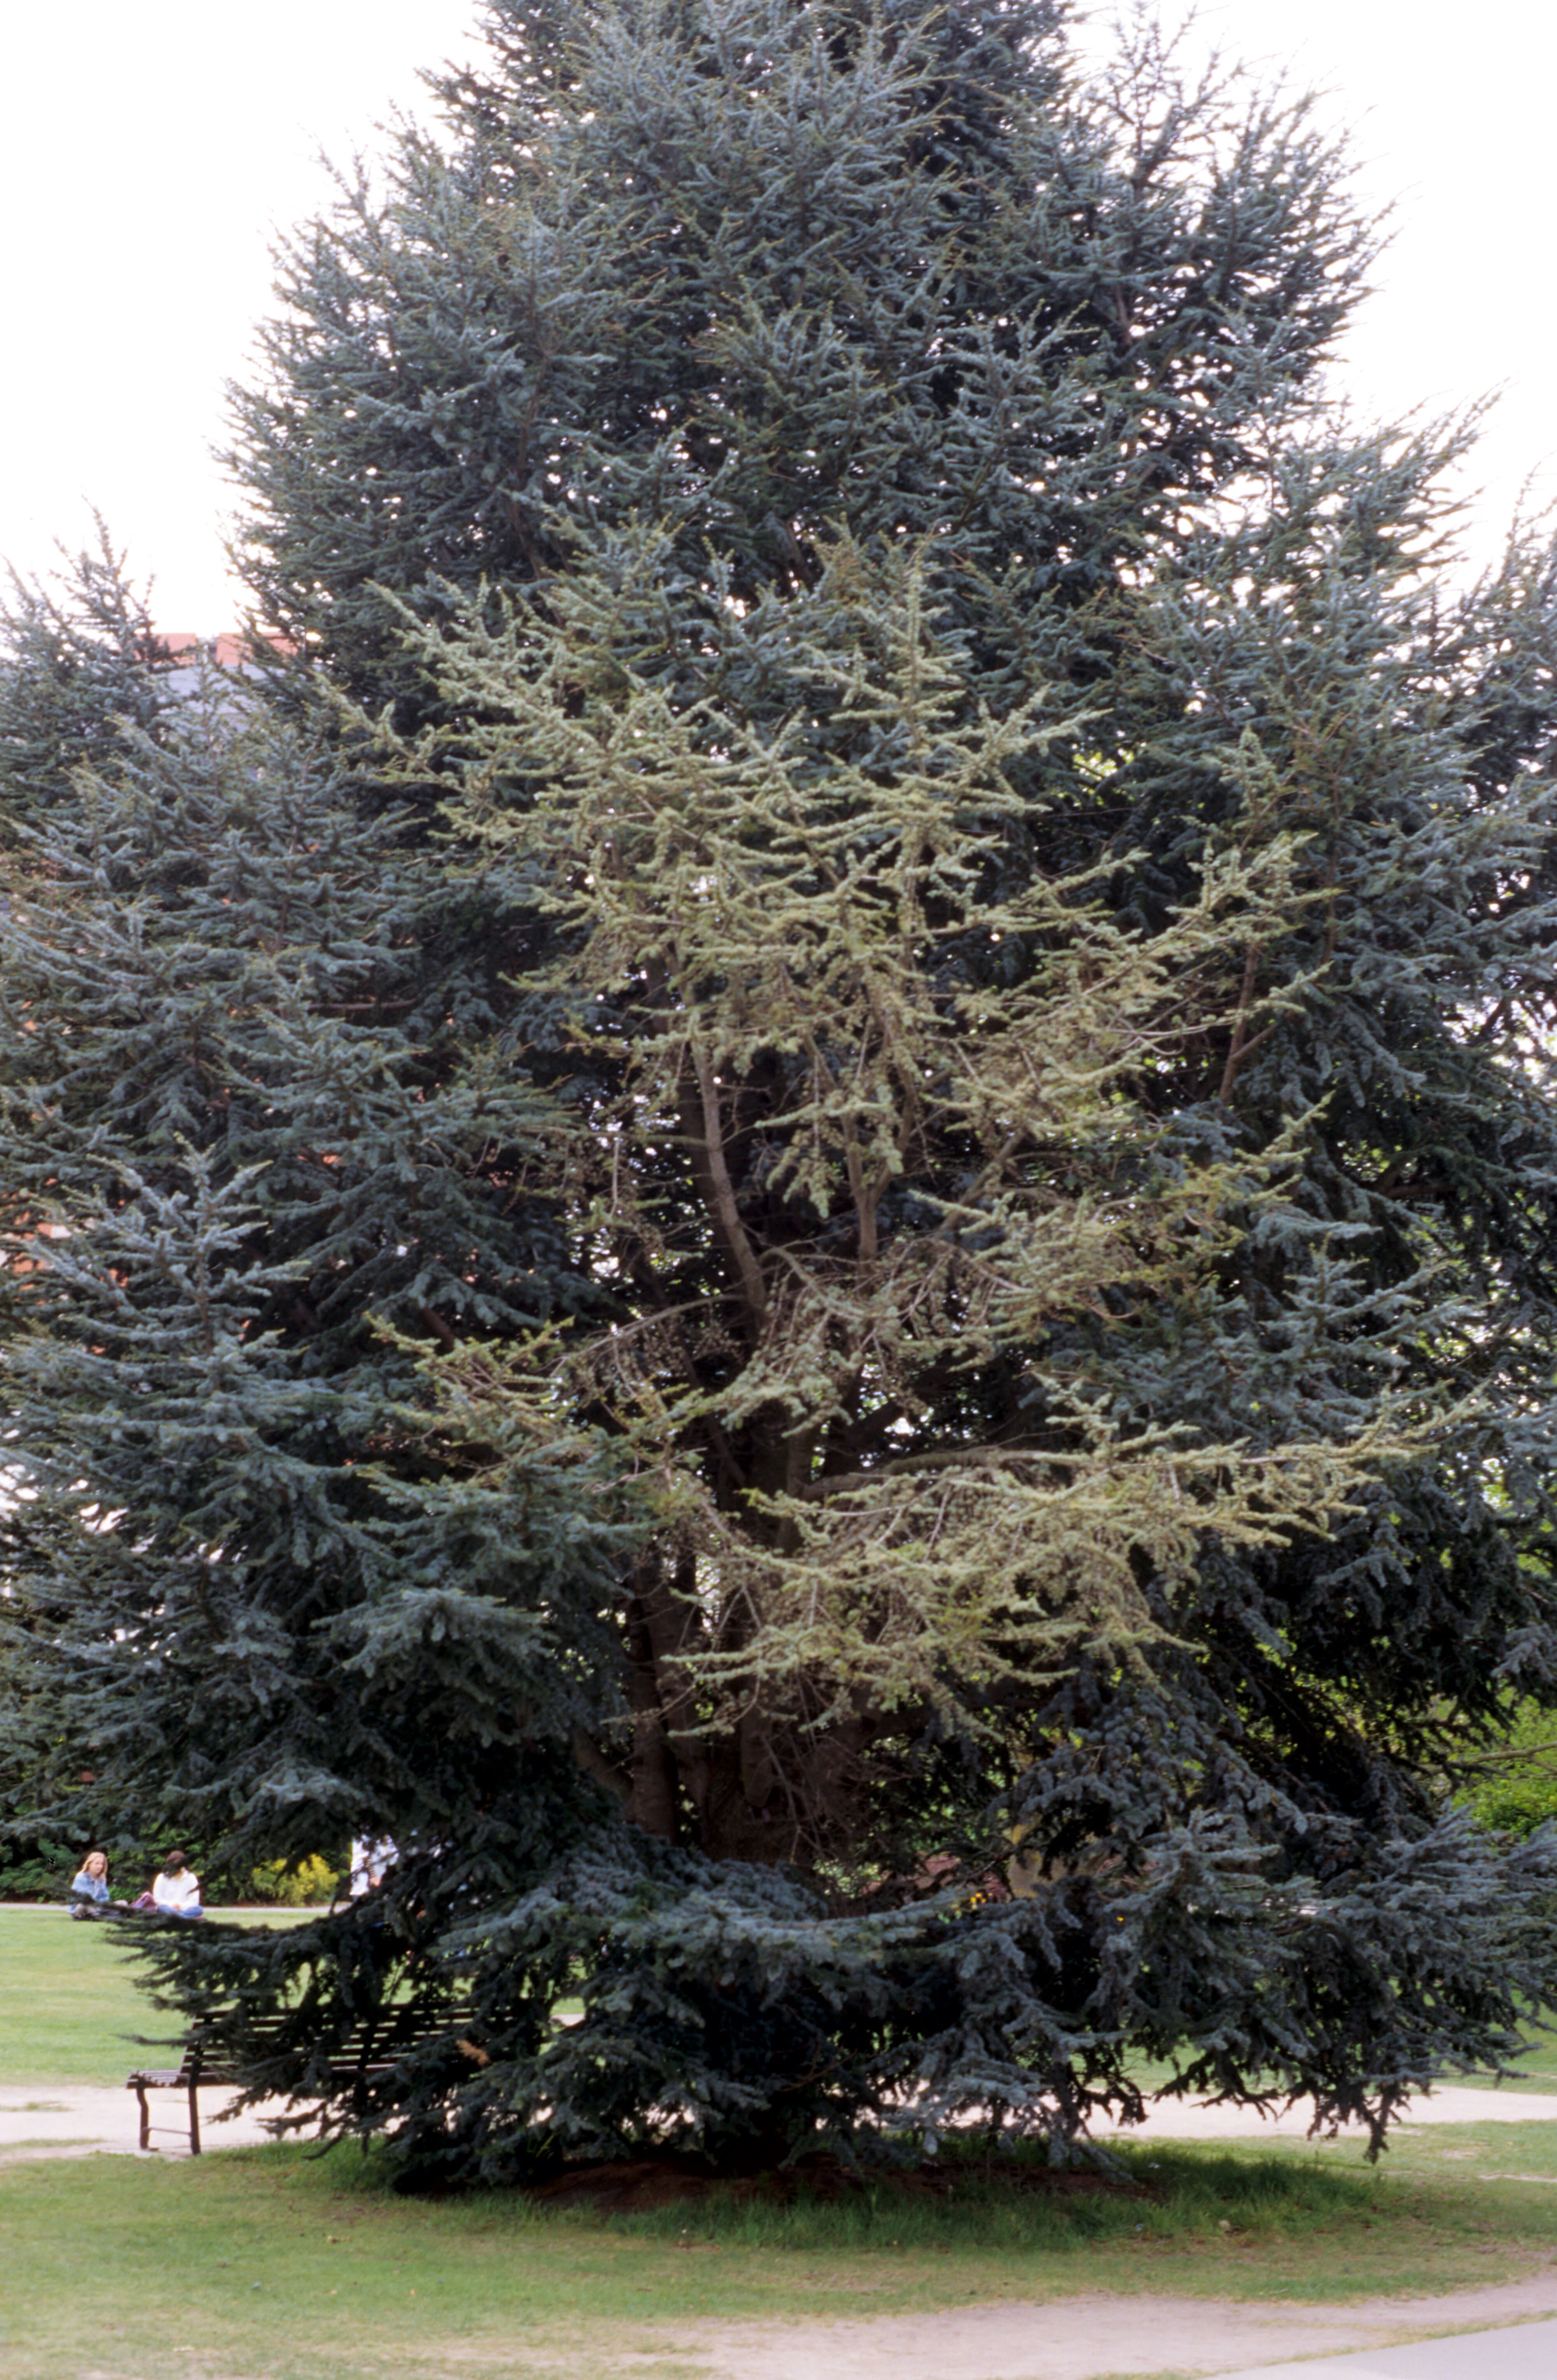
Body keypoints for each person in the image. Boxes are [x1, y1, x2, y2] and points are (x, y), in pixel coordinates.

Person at [150, 1848, 204, 1918]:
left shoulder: (191, 1878)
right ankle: (185, 1919)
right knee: (161, 1908)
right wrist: (173, 1905)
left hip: (186, 1909)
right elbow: (157, 1899)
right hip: (168, 1909)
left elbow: (194, 1901)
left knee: (199, 1909)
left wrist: (181, 1907)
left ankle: (178, 1919)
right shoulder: (161, 1878)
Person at [69, 1849, 117, 1919]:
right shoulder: (81, 1877)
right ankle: (91, 1916)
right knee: (84, 1906)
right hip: (84, 1906)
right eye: (97, 1864)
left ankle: (96, 1916)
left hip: (98, 1906)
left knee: (123, 1904)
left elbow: (105, 1897)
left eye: (102, 1864)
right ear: (90, 1864)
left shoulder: (102, 1878)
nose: (100, 1867)